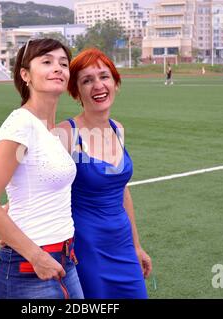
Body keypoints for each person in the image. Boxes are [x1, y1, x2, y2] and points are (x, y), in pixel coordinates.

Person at [0, 38, 84, 299]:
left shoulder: (51, 131)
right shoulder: (21, 124)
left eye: (63, 63)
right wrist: (36, 257)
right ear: (26, 75)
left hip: (65, 259)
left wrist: (12, 209)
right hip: (29, 267)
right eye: (46, 62)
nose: (58, 68)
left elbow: (35, 186)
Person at [57, 48, 152, 298]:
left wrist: (137, 246)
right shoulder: (65, 133)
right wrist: (9, 211)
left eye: (104, 76)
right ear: (76, 91)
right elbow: (36, 184)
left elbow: (122, 191)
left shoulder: (117, 128)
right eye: (87, 80)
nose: (98, 85)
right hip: (88, 251)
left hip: (123, 246)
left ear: (116, 83)